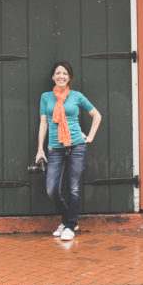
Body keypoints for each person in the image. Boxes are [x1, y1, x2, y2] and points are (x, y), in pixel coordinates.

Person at [34, 61, 102, 241]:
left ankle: (70, 226)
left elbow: (97, 115)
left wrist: (90, 137)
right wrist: (40, 149)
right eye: (58, 73)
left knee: (73, 188)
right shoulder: (46, 97)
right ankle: (68, 221)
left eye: (64, 73)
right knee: (52, 190)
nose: (61, 76)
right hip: (55, 148)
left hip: (77, 147)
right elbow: (44, 123)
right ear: (53, 77)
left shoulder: (77, 96)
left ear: (69, 77)